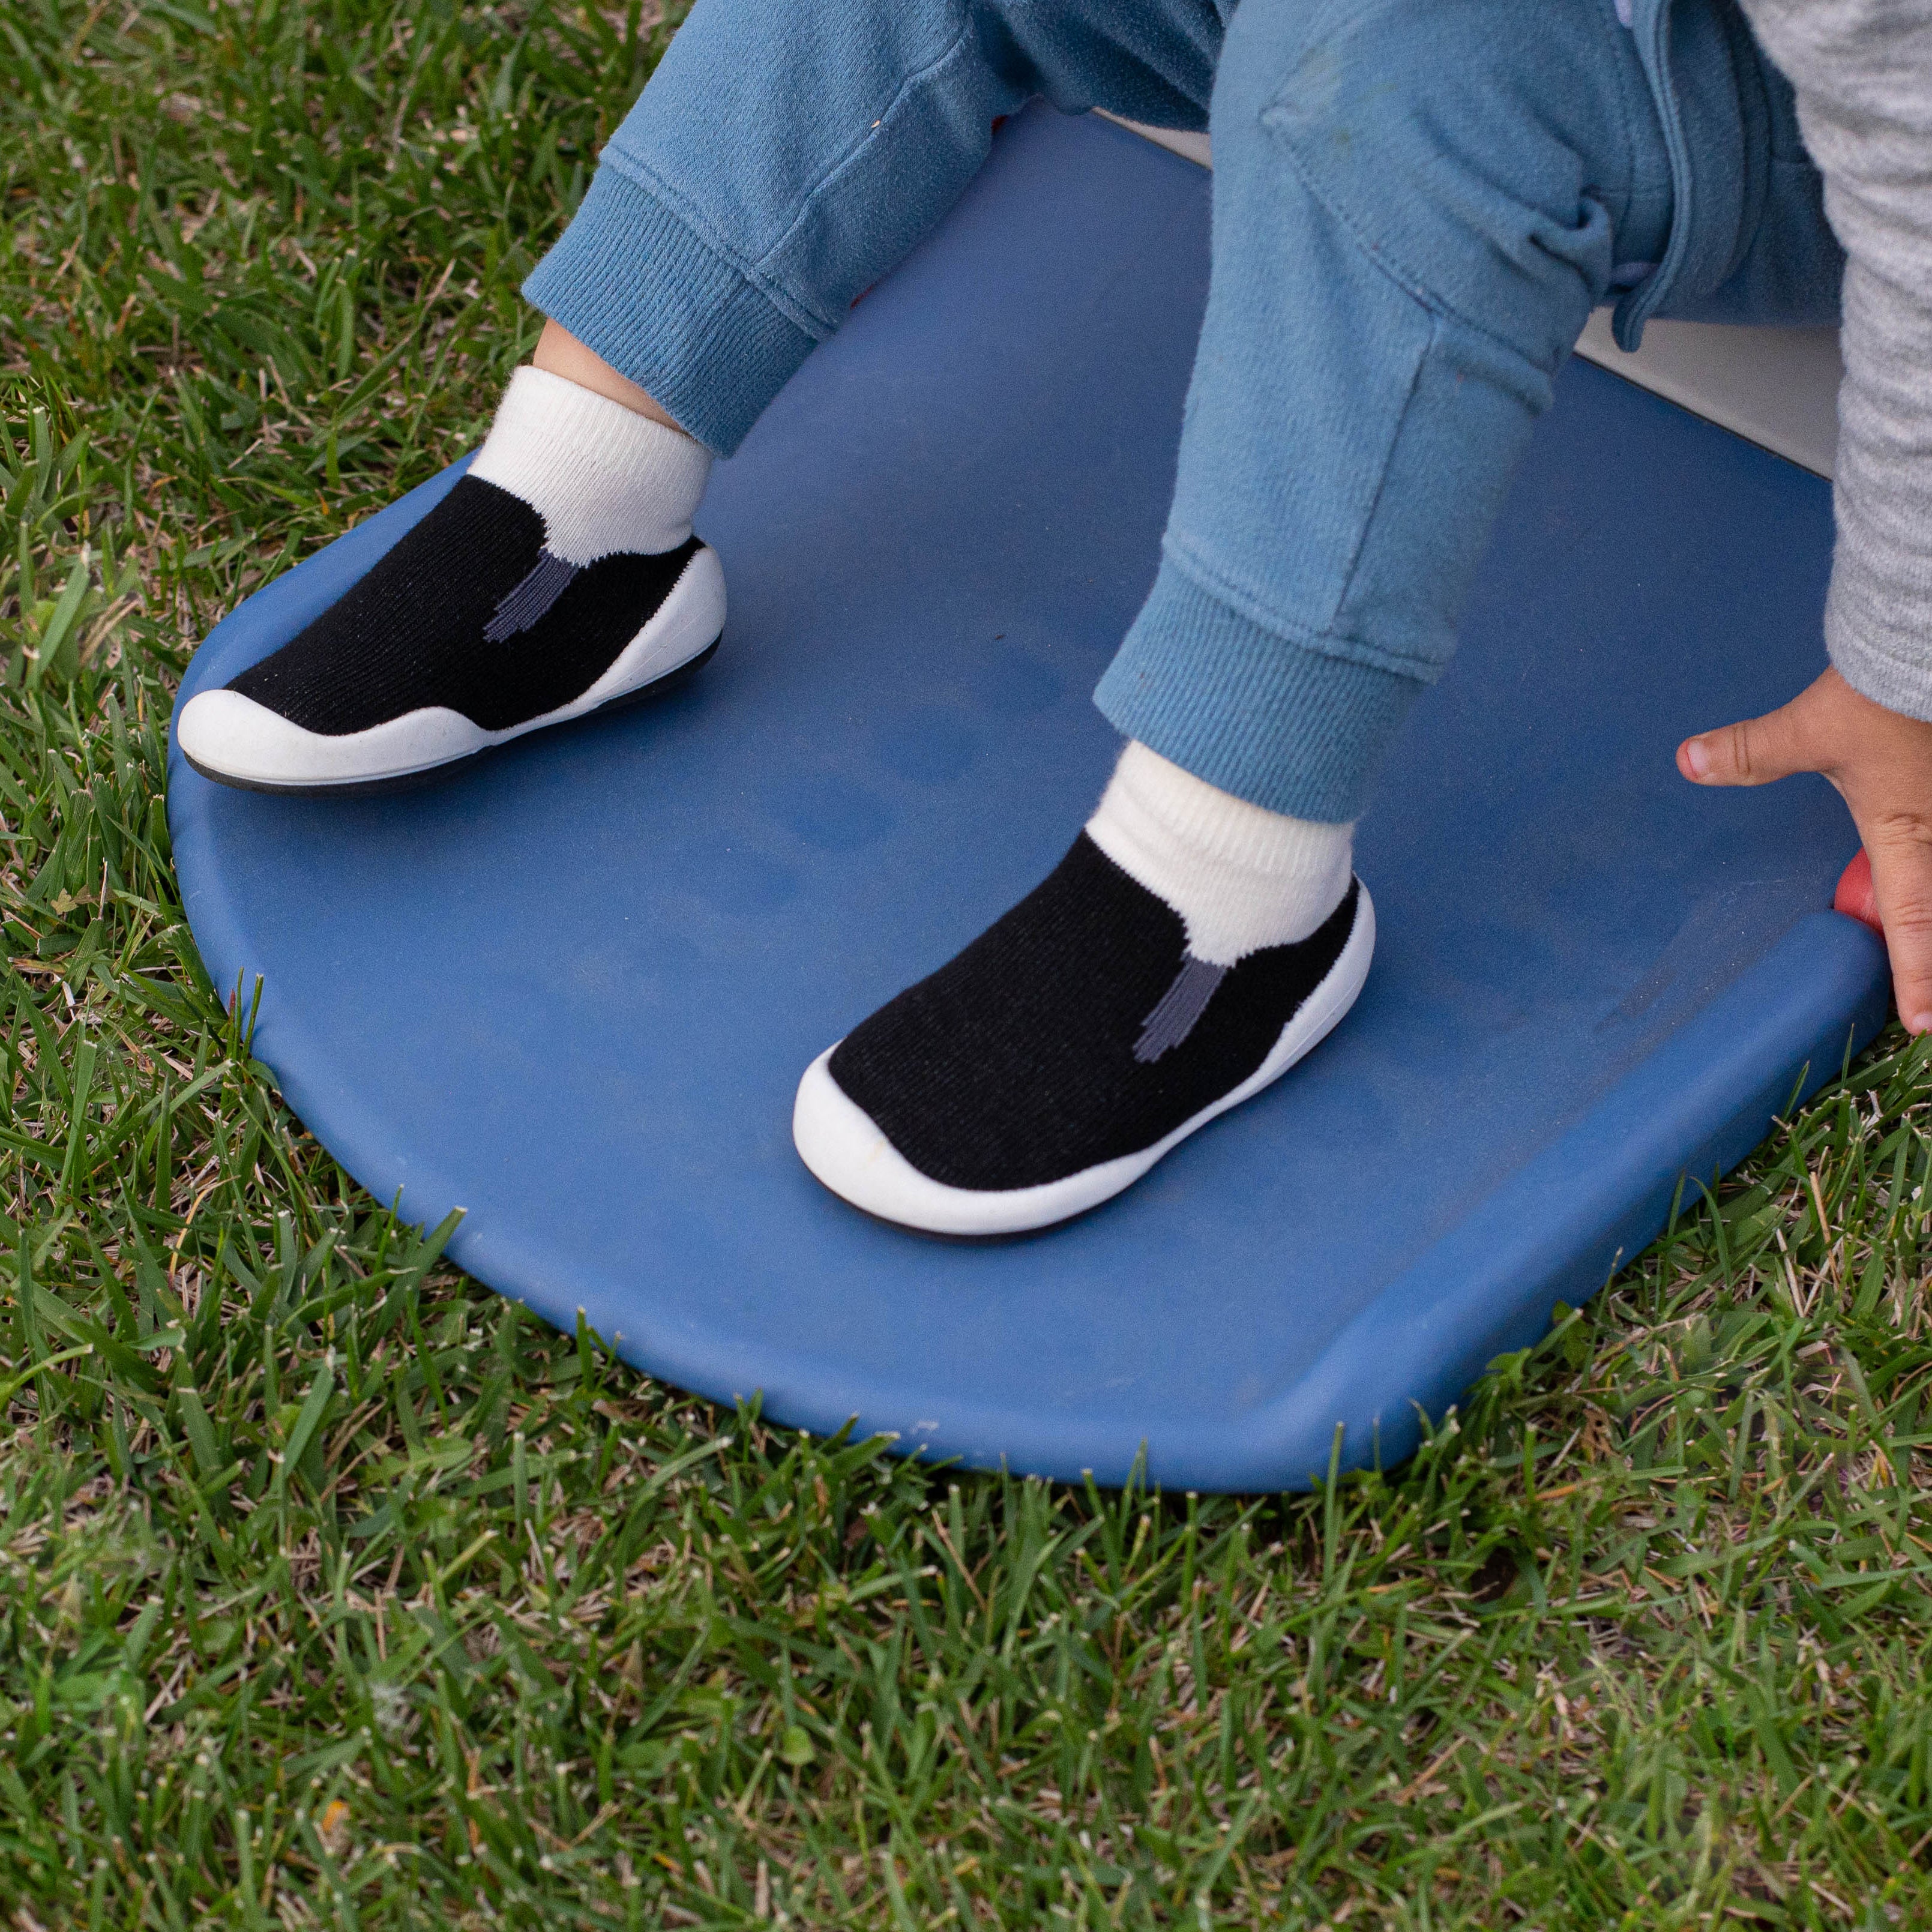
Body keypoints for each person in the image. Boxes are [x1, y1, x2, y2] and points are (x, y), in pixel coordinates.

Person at [175, 0, 1932, 1236]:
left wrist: (1904, 667)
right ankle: (579, 518)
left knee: (1405, 67)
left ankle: (1229, 901)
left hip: (1817, 115)